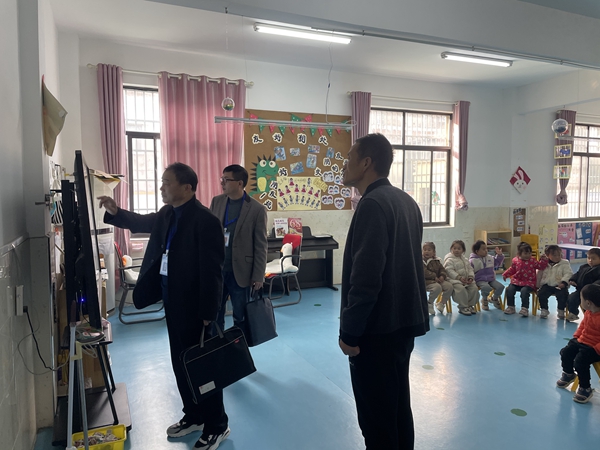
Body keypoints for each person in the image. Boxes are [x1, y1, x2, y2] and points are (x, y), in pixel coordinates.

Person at [98, 163, 230, 450]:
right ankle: (194, 415)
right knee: (180, 363)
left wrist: (209, 313)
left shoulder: (205, 221)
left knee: (201, 367)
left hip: (196, 309)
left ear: (187, 187)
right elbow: (141, 222)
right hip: (172, 302)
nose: (162, 188)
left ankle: (217, 425)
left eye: (167, 183)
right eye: (162, 182)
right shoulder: (167, 214)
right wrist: (116, 211)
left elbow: (213, 272)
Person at [339, 133, 429, 450]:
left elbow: (366, 279)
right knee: (398, 407)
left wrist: (350, 333)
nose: (344, 165)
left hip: (376, 330)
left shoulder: (372, 204)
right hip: (403, 324)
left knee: (376, 419)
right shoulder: (405, 201)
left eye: (349, 158)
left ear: (366, 163)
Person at [209, 164, 268, 331]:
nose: (222, 183)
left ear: (240, 183)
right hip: (218, 270)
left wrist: (258, 276)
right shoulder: (217, 202)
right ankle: (218, 345)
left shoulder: (257, 209)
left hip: (242, 273)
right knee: (214, 315)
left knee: (241, 316)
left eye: (226, 180)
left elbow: (261, 245)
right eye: (222, 179)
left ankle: (239, 345)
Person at [556, 283, 600, 403]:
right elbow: (583, 326)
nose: (580, 301)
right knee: (566, 352)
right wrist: (577, 337)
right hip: (583, 341)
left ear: (588, 303)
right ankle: (569, 373)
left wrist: (596, 349)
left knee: (580, 361)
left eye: (581, 299)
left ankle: (585, 388)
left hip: (595, 348)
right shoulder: (588, 312)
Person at [502, 242, 548, 317]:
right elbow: (512, 269)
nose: (528, 255)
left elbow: (540, 266)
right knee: (509, 290)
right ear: (519, 253)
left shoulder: (532, 260)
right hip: (516, 281)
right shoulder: (515, 260)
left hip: (529, 283)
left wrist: (544, 260)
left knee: (524, 292)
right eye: (526, 253)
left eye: (529, 253)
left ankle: (524, 308)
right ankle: (511, 307)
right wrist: (505, 274)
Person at [536, 245, 573, 319]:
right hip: (547, 284)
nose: (557, 257)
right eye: (554, 255)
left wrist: (564, 283)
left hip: (560, 285)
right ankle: (544, 309)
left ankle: (561, 310)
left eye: (559, 255)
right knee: (541, 294)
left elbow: (568, 274)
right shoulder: (544, 263)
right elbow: (539, 273)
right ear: (547, 255)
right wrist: (537, 285)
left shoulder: (565, 263)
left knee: (562, 295)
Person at [444, 240, 479, 316]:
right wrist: (458, 277)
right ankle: (463, 307)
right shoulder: (449, 259)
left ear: (463, 250)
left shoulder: (465, 260)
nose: (456, 250)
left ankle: (470, 305)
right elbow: (449, 270)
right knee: (461, 289)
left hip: (466, 280)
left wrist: (470, 277)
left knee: (474, 288)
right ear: (451, 249)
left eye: (459, 248)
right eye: (454, 248)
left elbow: (470, 269)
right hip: (454, 280)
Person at [469, 240, 504, 310]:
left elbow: (496, 263)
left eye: (486, 248)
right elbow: (470, 272)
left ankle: (494, 298)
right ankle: (484, 300)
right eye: (483, 249)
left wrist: (499, 255)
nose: (486, 250)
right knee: (486, 287)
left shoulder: (490, 257)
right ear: (477, 251)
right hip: (480, 280)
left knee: (501, 287)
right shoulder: (472, 261)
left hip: (491, 279)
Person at [567, 247, 600, 322]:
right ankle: (573, 313)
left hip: (592, 294)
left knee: (589, 304)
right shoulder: (584, 267)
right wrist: (572, 280)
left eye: (593, 259)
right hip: (580, 290)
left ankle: (589, 317)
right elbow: (577, 274)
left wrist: (592, 287)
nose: (590, 260)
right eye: (588, 258)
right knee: (571, 298)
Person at [422, 242, 453, 316]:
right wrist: (434, 277)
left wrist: (442, 276)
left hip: (437, 280)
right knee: (437, 287)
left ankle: (442, 303)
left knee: (449, 286)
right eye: (425, 250)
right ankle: (429, 303)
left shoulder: (437, 260)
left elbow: (442, 269)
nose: (426, 251)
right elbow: (424, 271)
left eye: (429, 250)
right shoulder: (420, 260)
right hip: (426, 281)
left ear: (434, 252)